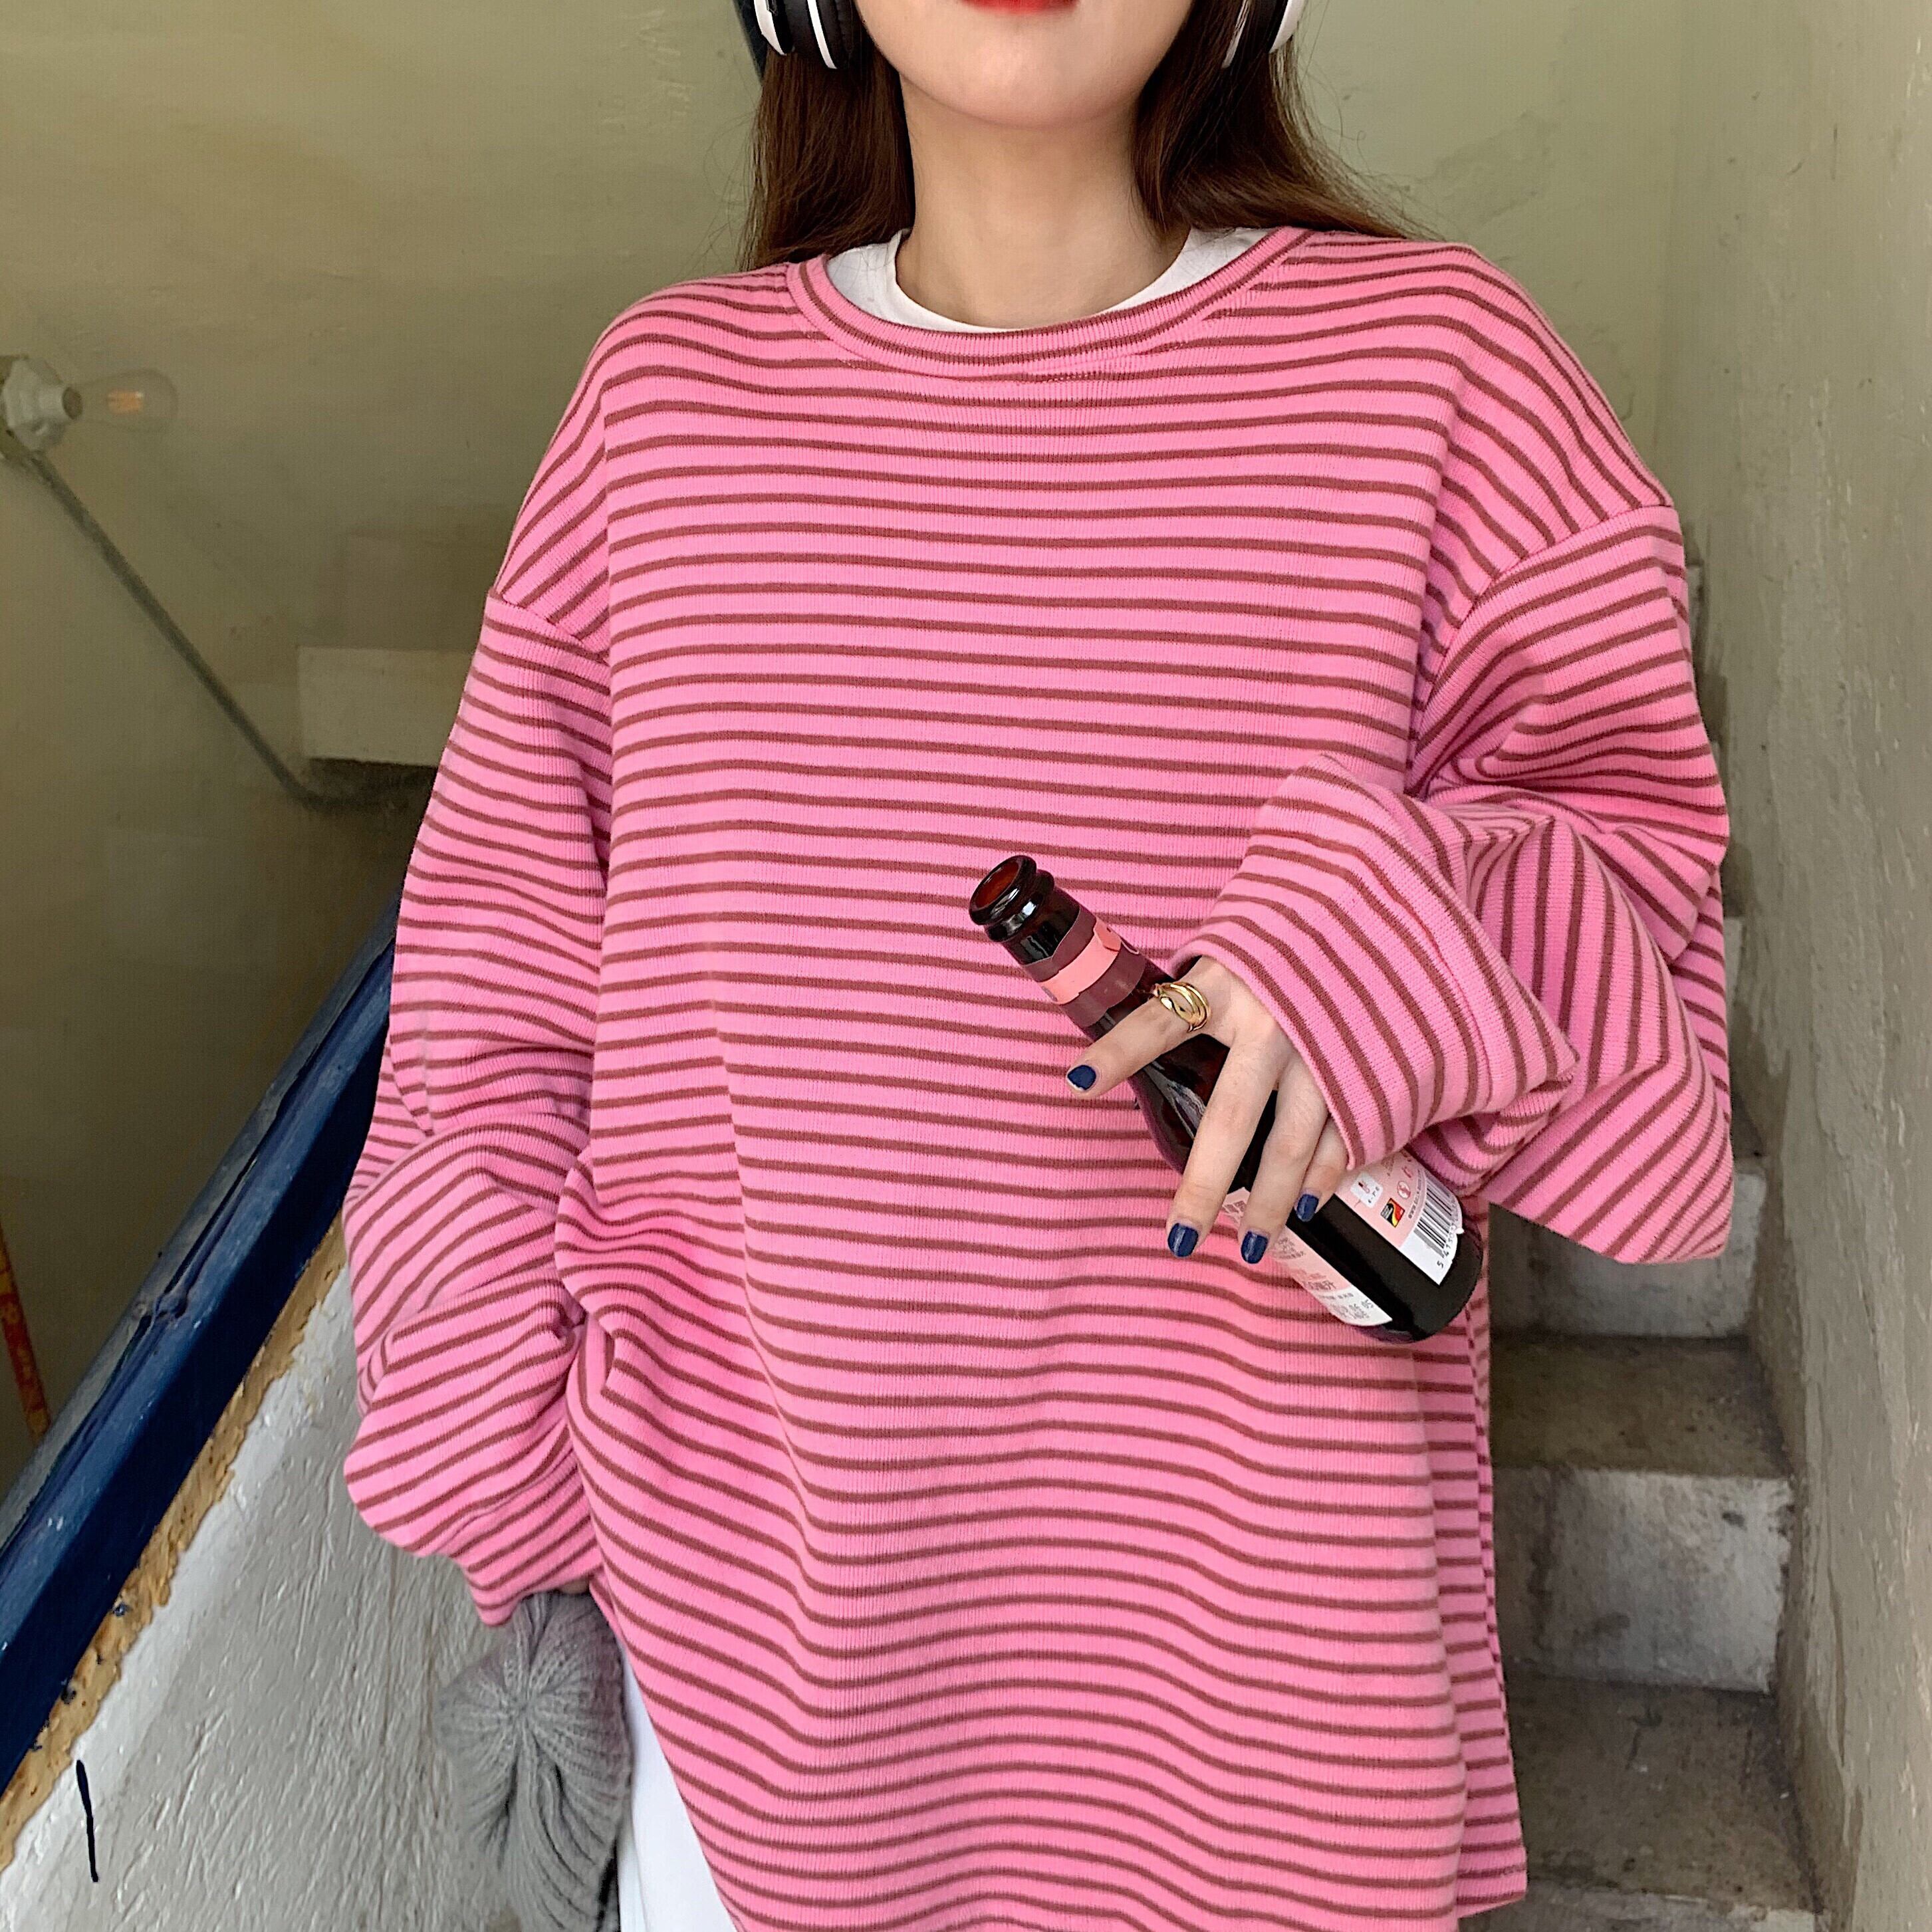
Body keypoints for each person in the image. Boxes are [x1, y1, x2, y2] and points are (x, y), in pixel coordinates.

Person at [337, 2, 1735, 1927]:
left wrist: (1379, 949)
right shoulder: (662, 414)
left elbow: (1645, 929)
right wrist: (519, 1463)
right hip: (760, 1699)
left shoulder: (1439, 375)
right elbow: (494, 1003)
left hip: (1260, 1694)